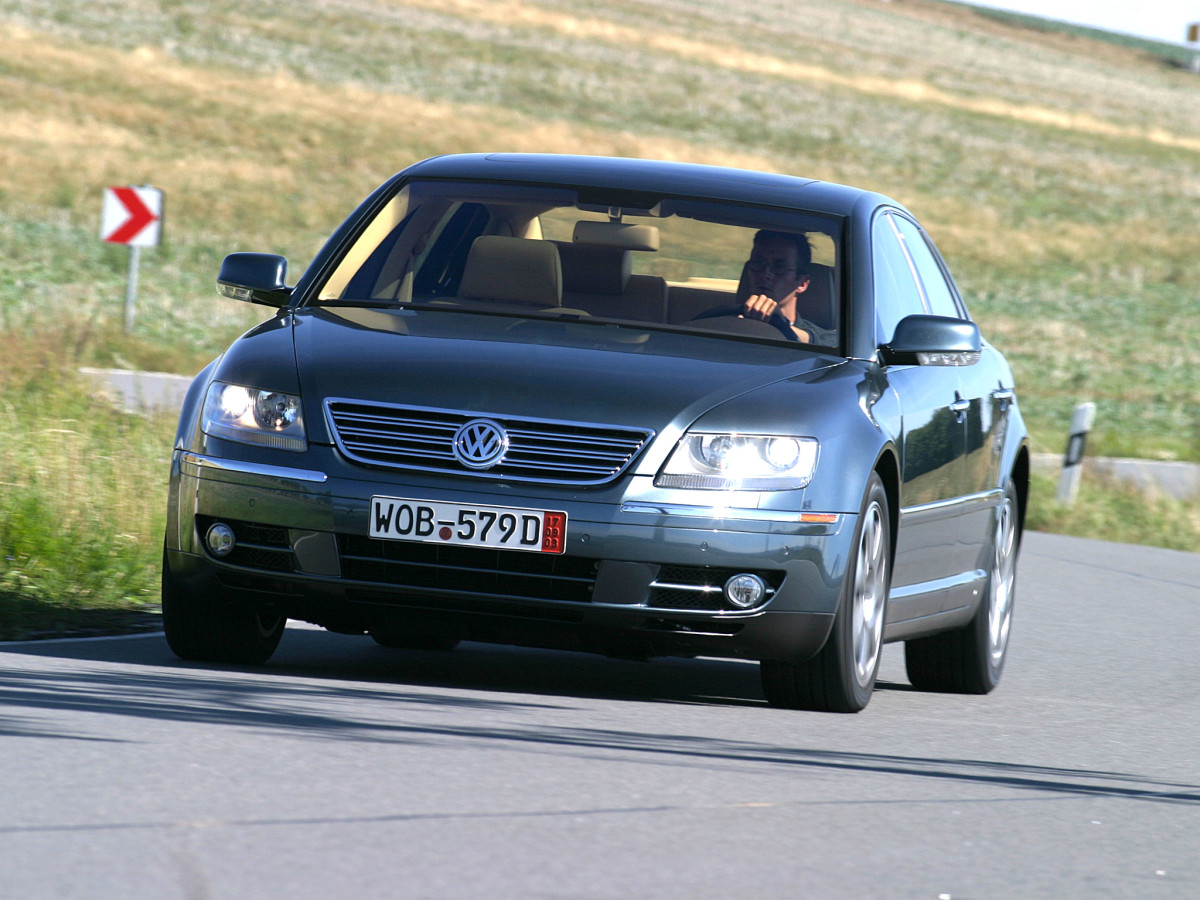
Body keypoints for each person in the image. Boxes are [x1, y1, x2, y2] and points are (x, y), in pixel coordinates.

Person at [695, 230, 833, 343]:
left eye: (779, 267)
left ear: (802, 283)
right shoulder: (716, 321)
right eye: (758, 263)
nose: (765, 274)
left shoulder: (822, 339)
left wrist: (780, 326)